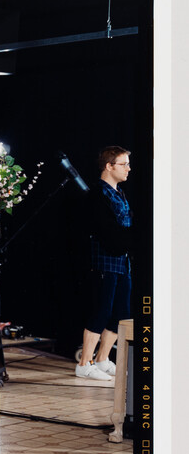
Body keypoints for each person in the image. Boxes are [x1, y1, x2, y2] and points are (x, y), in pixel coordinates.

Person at [75, 146, 133, 380]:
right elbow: (104, 230)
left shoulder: (119, 193)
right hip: (105, 260)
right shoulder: (98, 194)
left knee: (121, 313)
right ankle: (84, 363)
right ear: (109, 166)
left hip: (122, 261)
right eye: (124, 164)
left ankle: (102, 359)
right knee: (102, 311)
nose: (129, 168)